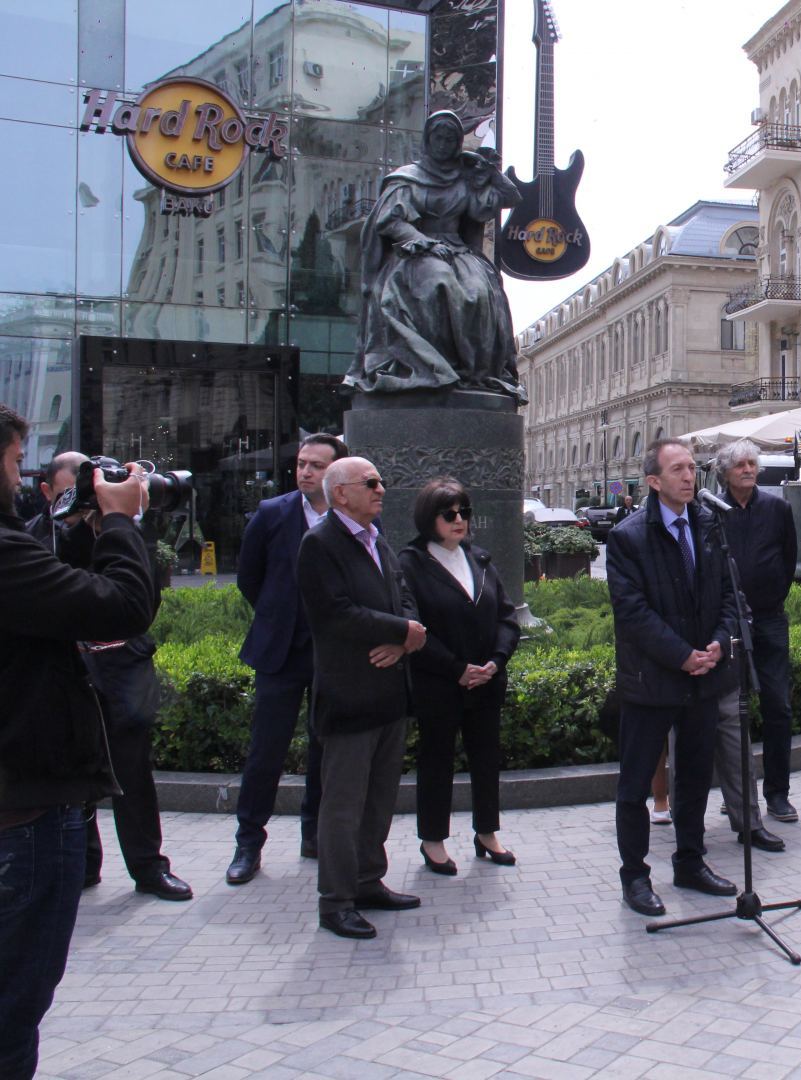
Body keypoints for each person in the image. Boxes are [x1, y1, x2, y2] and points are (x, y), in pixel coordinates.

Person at [1, 404, 155, 1079]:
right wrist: (120, 521)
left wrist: (83, 528)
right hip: (24, 814)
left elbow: (58, 596)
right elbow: (121, 606)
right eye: (14, 463)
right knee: (13, 1010)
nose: (19, 480)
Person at [28, 452, 191, 901]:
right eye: (77, 493)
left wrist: (115, 525)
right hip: (69, 672)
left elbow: (144, 601)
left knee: (133, 771)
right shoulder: (32, 539)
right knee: (74, 771)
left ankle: (148, 866)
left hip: (122, 668)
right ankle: (83, 865)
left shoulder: (121, 529)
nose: (89, 499)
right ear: (47, 492)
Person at [606, 439, 740, 917]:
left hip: (703, 676)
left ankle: (690, 861)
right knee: (636, 783)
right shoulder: (628, 537)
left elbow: (730, 593)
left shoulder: (709, 524)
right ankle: (635, 876)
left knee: (696, 775)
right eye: (678, 469)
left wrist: (719, 643)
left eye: (692, 467)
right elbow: (632, 612)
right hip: (651, 680)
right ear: (653, 481)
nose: (689, 476)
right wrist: (681, 656)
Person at [297, 457, 427, 939]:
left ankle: (368, 881)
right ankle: (336, 901)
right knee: (343, 805)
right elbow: (334, 614)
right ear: (340, 493)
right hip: (349, 696)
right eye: (370, 483)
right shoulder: (319, 544)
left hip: (389, 694)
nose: (381, 489)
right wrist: (400, 630)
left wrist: (405, 638)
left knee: (378, 800)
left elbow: (405, 596)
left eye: (381, 482)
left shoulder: (378, 538)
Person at [227, 433, 346, 886]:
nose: (305, 472)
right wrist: (279, 614)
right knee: (266, 751)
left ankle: (313, 834)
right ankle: (248, 843)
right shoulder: (272, 513)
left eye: (316, 465)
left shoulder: (349, 517)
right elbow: (249, 577)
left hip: (329, 654)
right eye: (301, 463)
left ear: (336, 473)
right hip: (279, 652)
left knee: (324, 748)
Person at [346, 110, 526, 400]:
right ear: (428, 141)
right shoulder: (407, 178)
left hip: (457, 250)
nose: (443, 144)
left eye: (450, 139)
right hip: (416, 250)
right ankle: (436, 368)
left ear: (458, 144)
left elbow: (512, 198)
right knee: (438, 282)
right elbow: (391, 221)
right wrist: (423, 242)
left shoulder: (465, 179)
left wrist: (490, 171)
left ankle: (471, 371)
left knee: (480, 290)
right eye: (438, 138)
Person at [399, 478, 521, 874]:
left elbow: (506, 617)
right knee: (436, 760)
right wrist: (456, 669)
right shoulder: (410, 564)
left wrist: (496, 662)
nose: (458, 520)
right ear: (428, 518)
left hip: (486, 680)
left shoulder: (479, 559)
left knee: (486, 759)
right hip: (439, 683)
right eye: (448, 514)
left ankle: (487, 832)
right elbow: (413, 627)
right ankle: (433, 840)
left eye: (464, 512)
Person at [712, 438, 797, 845]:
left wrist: (773, 593)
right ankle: (737, 796)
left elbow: (789, 559)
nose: (748, 469)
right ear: (725, 473)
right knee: (732, 713)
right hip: (727, 623)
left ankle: (777, 793)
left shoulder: (777, 509)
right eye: (740, 464)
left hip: (768, 619)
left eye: (752, 463)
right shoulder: (712, 512)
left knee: (778, 705)